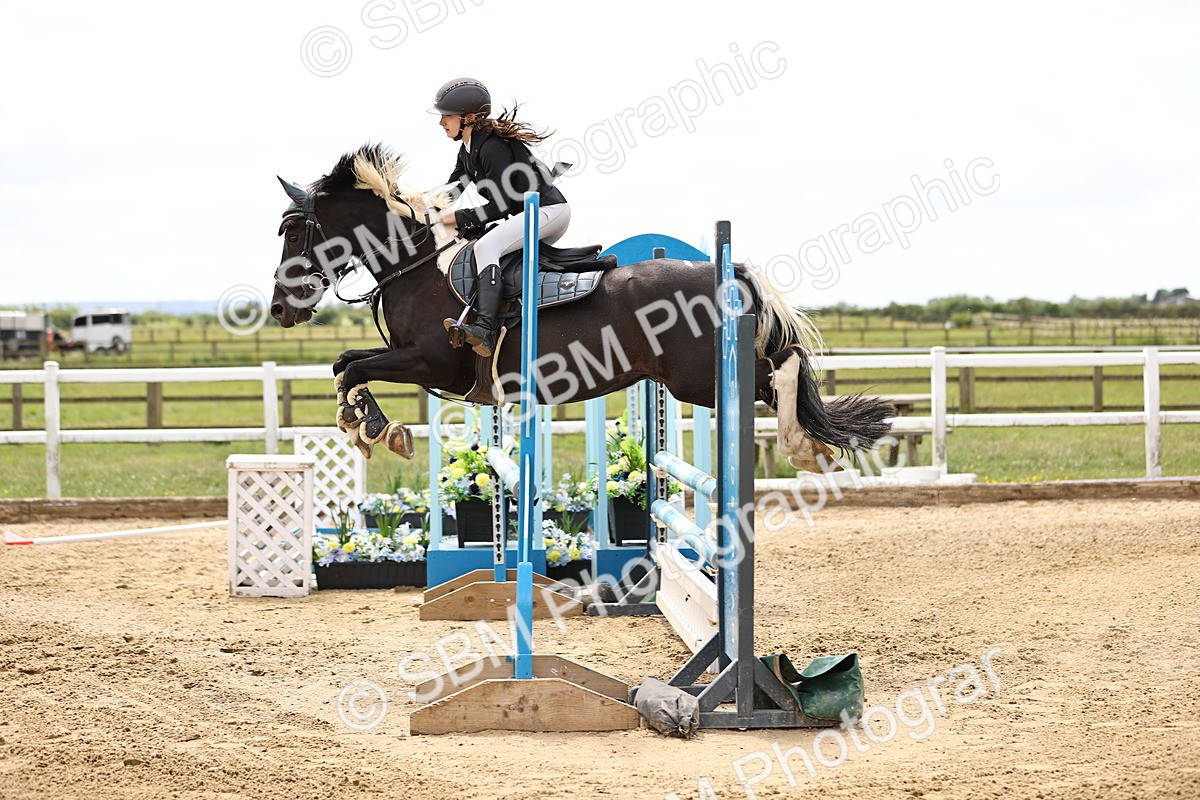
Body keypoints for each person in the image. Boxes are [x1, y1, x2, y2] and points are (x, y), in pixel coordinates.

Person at [430, 77, 570, 358]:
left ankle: (484, 329)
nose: (441, 122)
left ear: (469, 118)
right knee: (483, 243)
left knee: (486, 246)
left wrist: (460, 217)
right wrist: (419, 209)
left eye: (447, 116)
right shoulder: (468, 150)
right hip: (527, 213)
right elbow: (450, 192)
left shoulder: (492, 148)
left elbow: (502, 205)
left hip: (548, 212)